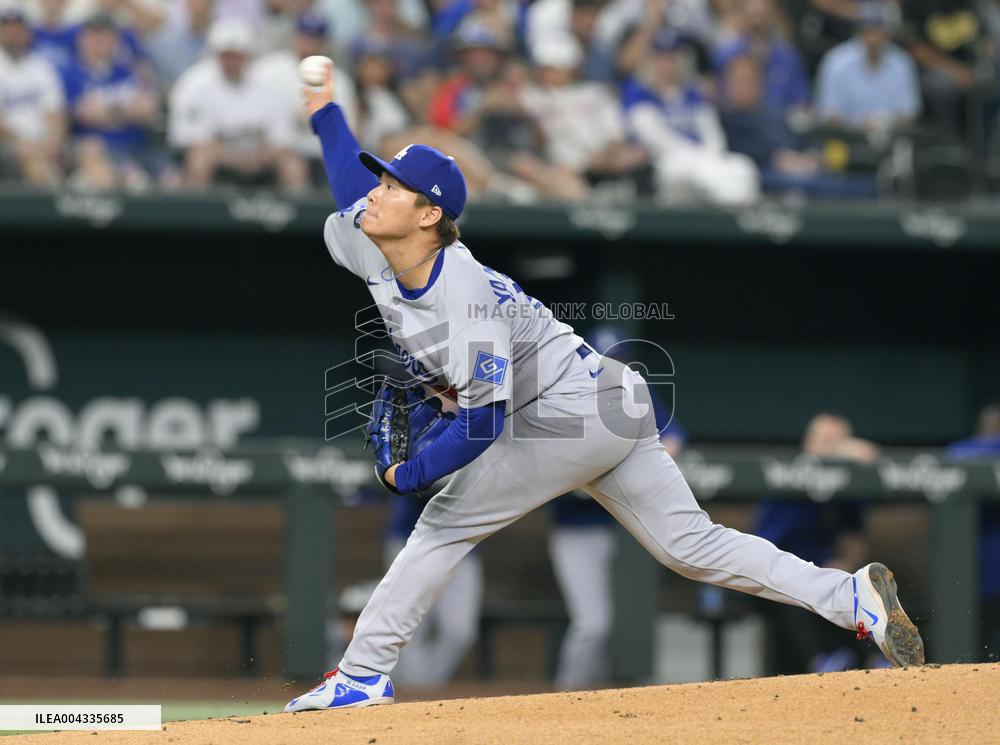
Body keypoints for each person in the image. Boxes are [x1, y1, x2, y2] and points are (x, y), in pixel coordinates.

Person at [284, 60, 924, 712]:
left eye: (393, 186)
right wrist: (323, 107)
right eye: (383, 181)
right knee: (692, 546)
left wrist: (409, 473)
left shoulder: (460, 295)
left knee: (442, 524)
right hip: (606, 398)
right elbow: (343, 182)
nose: (374, 194)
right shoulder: (375, 243)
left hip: (569, 410)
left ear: (428, 214)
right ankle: (847, 597)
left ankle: (363, 674)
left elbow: (484, 421)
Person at [548, 325, 686, 690]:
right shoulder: (568, 392)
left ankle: (603, 699)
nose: (612, 367)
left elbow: (674, 436)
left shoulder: (632, 389)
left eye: (618, 360)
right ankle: (565, 695)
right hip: (577, 529)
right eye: (605, 359)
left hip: (622, 528)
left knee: (626, 619)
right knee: (593, 622)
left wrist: (644, 456)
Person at [753, 413, 877, 674]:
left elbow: (854, 536)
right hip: (772, 572)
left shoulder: (847, 483)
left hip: (827, 570)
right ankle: (823, 662)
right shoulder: (790, 474)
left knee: (859, 585)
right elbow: (772, 546)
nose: (825, 447)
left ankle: (878, 659)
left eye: (835, 441)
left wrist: (844, 563)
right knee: (798, 591)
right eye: (820, 439)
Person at [623, 27, 759, 206]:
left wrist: (710, 156)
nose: (667, 65)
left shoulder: (692, 93)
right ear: (651, 61)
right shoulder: (639, 93)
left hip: (703, 159)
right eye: (661, 58)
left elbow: (712, 132)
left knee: (743, 167)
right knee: (686, 174)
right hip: (664, 164)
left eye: (672, 57)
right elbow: (656, 139)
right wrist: (699, 158)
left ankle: (736, 227)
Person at [167, 18, 306, 190]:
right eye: (226, 55)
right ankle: (196, 215)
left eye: (237, 55)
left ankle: (298, 216)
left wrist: (259, 157)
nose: (232, 61)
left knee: (292, 164)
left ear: (247, 55)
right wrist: (237, 160)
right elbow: (193, 142)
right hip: (219, 161)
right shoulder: (194, 84)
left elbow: (283, 140)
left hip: (260, 160)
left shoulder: (267, 85)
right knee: (199, 160)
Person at [721, 53, 877, 198]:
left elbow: (798, 140)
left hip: (798, 166)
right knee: (808, 185)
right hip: (761, 172)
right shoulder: (725, 118)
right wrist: (776, 157)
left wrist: (807, 156)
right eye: (739, 81)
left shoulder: (773, 113)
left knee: (856, 180)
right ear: (728, 83)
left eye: (750, 81)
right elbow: (734, 150)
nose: (745, 87)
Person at [250, 10, 358, 187]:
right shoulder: (267, 69)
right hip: (270, 149)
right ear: (294, 36)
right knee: (289, 162)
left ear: (325, 42)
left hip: (318, 154)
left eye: (315, 37)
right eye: (305, 35)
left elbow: (348, 131)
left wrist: (313, 121)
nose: (309, 42)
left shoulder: (339, 80)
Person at [60, 13, 164, 190]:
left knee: (173, 179)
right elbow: (85, 114)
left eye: (105, 36)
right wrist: (127, 110)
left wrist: (107, 110)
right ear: (82, 39)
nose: (99, 42)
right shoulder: (70, 73)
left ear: (116, 40)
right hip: (98, 146)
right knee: (134, 181)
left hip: (137, 145)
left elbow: (149, 109)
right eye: (94, 35)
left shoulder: (130, 71)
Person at [946, 402, 1000, 662]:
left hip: (972, 575)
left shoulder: (965, 451)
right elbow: (955, 456)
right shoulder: (971, 450)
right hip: (980, 573)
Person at [815, 3, 921, 132]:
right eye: (868, 30)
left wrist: (883, 121)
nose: (873, 37)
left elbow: (909, 113)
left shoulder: (902, 62)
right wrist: (859, 124)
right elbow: (829, 115)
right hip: (848, 138)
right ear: (859, 31)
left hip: (891, 136)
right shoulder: (836, 62)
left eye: (878, 29)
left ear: (887, 32)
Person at [0, 6, 66, 187]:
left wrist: (53, 141)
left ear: (27, 33)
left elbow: (55, 112)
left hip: (44, 142)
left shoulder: (41, 67)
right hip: (9, 143)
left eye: (18, 30)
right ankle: (49, 209)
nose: (13, 34)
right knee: (32, 159)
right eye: (8, 29)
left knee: (92, 150)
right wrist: (25, 142)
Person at [713, 0, 810, 117]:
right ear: (741, 14)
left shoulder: (789, 57)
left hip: (780, 126)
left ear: (773, 14)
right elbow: (718, 99)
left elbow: (801, 101)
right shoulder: (724, 55)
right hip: (736, 125)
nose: (758, 17)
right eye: (753, 14)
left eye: (762, 13)